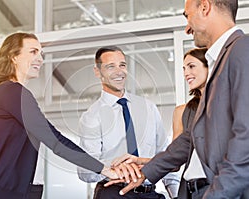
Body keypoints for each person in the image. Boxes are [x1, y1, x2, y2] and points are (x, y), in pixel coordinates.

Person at [105, 0, 249, 198]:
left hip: (217, 191)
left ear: (205, 7)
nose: (187, 28)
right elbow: (191, 138)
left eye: (187, 16)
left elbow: (246, 140)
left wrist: (217, 195)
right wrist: (146, 171)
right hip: (192, 191)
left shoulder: (242, 50)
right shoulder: (219, 63)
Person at [0, 32, 118, 199]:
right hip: (13, 193)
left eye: (41, 54)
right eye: (33, 52)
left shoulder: (9, 93)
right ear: (13, 56)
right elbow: (54, 139)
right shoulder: (12, 92)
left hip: (18, 191)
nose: (40, 59)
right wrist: (104, 169)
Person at [77, 46, 180, 199]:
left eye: (122, 65)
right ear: (97, 72)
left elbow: (163, 156)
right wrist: (116, 168)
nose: (119, 71)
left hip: (149, 193)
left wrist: (175, 195)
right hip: (113, 193)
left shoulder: (148, 108)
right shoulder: (91, 116)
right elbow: (84, 171)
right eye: (110, 66)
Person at [172, 48, 208, 140]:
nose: (186, 73)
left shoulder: (229, 104)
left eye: (191, 66)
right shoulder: (181, 112)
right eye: (184, 69)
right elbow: (175, 152)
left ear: (209, 67)